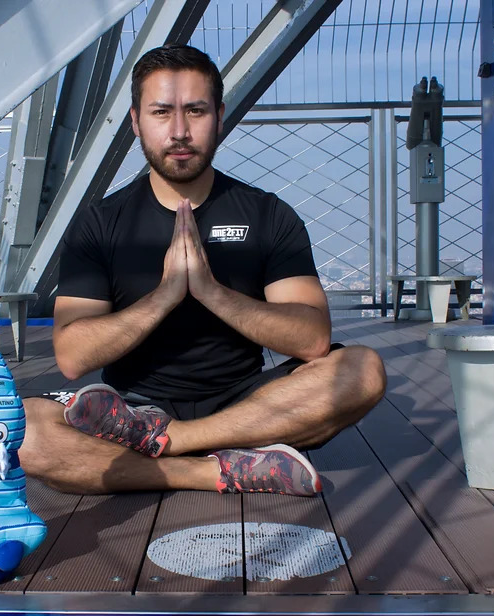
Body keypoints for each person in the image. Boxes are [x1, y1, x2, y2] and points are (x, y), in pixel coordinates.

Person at [19, 44, 386, 497]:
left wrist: (212, 292)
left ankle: (172, 443)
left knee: (363, 370)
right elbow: (73, 356)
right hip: (131, 410)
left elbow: (312, 340)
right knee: (21, 431)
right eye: (161, 112)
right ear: (136, 121)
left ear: (219, 117)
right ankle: (211, 471)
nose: (179, 131)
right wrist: (166, 295)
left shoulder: (268, 215)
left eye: (195, 110)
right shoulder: (100, 224)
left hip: (247, 403)